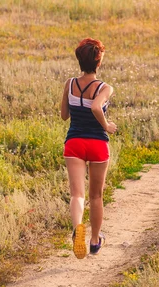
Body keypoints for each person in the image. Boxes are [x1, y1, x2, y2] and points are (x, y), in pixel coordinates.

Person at [60, 38, 117, 259]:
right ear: (98, 62)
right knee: (96, 196)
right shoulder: (104, 88)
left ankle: (77, 229)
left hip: (74, 142)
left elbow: (64, 115)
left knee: (77, 194)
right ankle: (94, 241)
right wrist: (107, 126)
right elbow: (95, 106)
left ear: (79, 60)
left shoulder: (70, 84)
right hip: (97, 144)